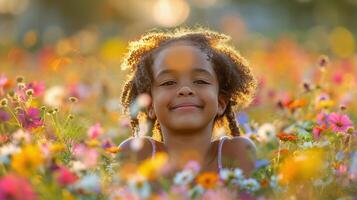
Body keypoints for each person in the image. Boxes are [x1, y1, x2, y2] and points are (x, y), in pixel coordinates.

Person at [118, 27, 258, 177]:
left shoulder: (236, 152)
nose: (185, 89)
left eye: (200, 81)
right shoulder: (138, 154)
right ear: (150, 105)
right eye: (168, 83)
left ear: (221, 103)